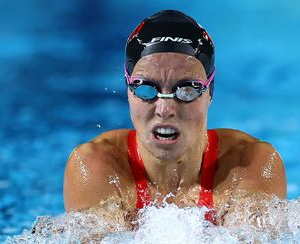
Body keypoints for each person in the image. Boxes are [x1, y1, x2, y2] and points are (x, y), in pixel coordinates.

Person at [63, 10, 286, 225]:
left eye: (187, 89)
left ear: (210, 92)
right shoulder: (95, 167)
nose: (165, 108)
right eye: (146, 88)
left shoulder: (250, 165)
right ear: (128, 91)